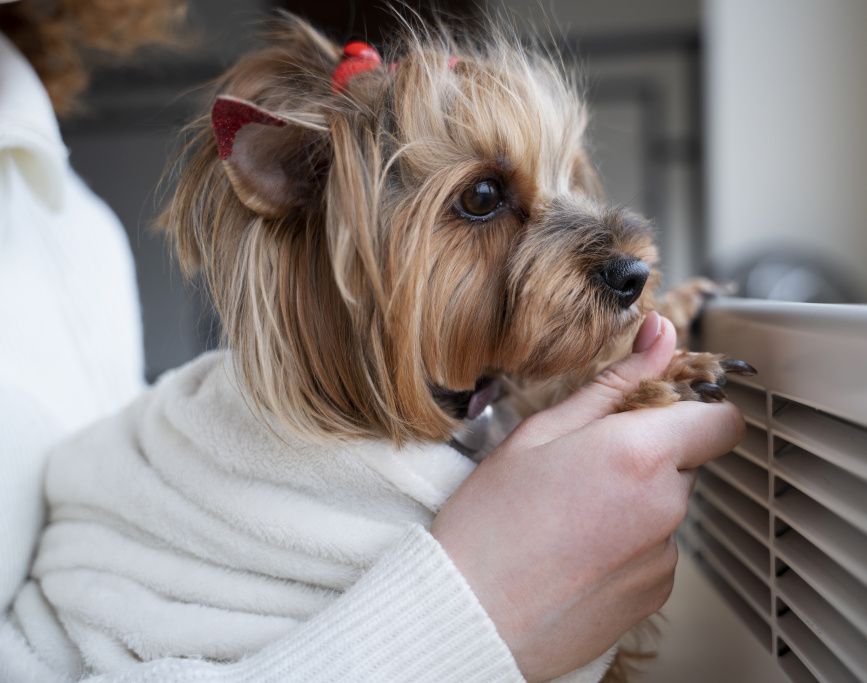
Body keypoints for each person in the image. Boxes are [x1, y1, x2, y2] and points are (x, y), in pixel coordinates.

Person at [0, 3, 745, 680]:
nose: (623, 258)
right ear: (316, 223)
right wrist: (474, 617)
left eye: (568, 181)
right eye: (484, 200)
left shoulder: (76, 231)